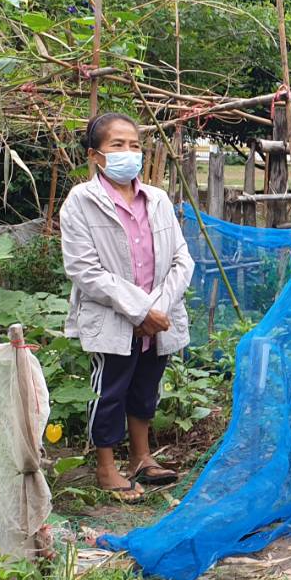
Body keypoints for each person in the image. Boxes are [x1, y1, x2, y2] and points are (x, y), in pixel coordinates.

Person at [60, 112, 196, 499]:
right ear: (95, 156)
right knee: (109, 391)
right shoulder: (80, 202)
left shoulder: (157, 199)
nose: (128, 152)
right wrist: (138, 311)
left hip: (158, 317)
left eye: (134, 145)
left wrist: (157, 309)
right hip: (114, 317)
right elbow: (85, 270)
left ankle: (141, 458)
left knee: (145, 388)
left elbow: (181, 259)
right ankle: (106, 469)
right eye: (117, 145)